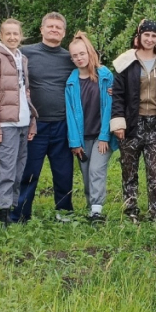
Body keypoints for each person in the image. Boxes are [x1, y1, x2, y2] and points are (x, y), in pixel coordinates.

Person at [111, 19, 156, 222]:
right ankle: (130, 210)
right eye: (146, 35)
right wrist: (119, 122)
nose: (150, 39)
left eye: (154, 36)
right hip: (132, 123)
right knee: (129, 170)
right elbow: (118, 95)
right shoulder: (126, 62)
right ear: (139, 36)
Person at [10, 12, 76, 223]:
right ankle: (20, 213)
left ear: (64, 33)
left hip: (63, 125)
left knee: (64, 173)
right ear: (42, 29)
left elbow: (90, 74)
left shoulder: (70, 58)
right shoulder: (25, 53)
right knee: (29, 172)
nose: (54, 30)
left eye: (58, 27)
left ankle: (64, 213)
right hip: (34, 126)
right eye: (50, 26)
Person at [0, 19, 37, 226]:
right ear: (1, 35)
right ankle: (2, 213)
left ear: (21, 35)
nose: (12, 37)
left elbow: (26, 93)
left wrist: (32, 122)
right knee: (5, 169)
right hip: (6, 124)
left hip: (23, 122)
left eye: (16, 34)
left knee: (18, 168)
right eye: (8, 34)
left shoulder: (22, 58)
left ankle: (12, 208)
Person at [65, 32, 120, 223]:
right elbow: (70, 114)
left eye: (82, 53)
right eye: (74, 56)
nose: (79, 58)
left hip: (101, 135)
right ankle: (91, 208)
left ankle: (97, 210)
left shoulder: (105, 76)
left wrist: (105, 136)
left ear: (90, 52)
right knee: (87, 173)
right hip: (82, 136)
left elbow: (110, 108)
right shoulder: (71, 82)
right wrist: (74, 142)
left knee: (97, 169)